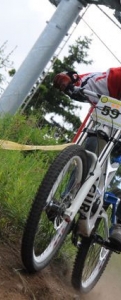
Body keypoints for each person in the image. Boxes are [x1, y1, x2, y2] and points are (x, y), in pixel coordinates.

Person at [53, 67, 121, 251]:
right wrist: (69, 80)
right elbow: (86, 83)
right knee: (92, 143)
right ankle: (66, 199)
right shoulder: (116, 78)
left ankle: (120, 225)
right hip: (110, 126)